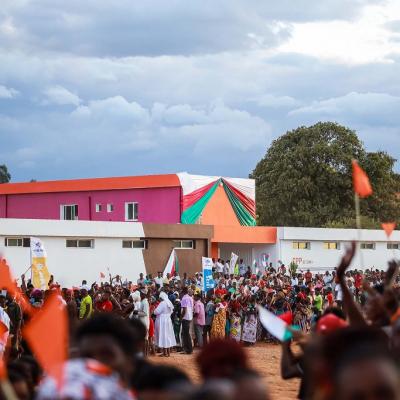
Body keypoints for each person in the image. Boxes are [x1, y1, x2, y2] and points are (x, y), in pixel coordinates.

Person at [154, 291, 176, 357]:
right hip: (168, 320)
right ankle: (168, 353)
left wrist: (154, 310)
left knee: (163, 335)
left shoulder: (162, 303)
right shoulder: (168, 302)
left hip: (162, 320)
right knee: (167, 335)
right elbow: (172, 311)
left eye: (160, 298)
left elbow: (156, 312)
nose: (159, 299)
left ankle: (165, 353)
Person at [180, 287, 193, 354]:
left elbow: (184, 310)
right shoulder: (190, 298)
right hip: (189, 317)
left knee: (185, 334)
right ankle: (189, 349)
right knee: (187, 333)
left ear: (183, 292)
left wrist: (180, 317)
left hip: (185, 318)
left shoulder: (184, 298)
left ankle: (187, 349)